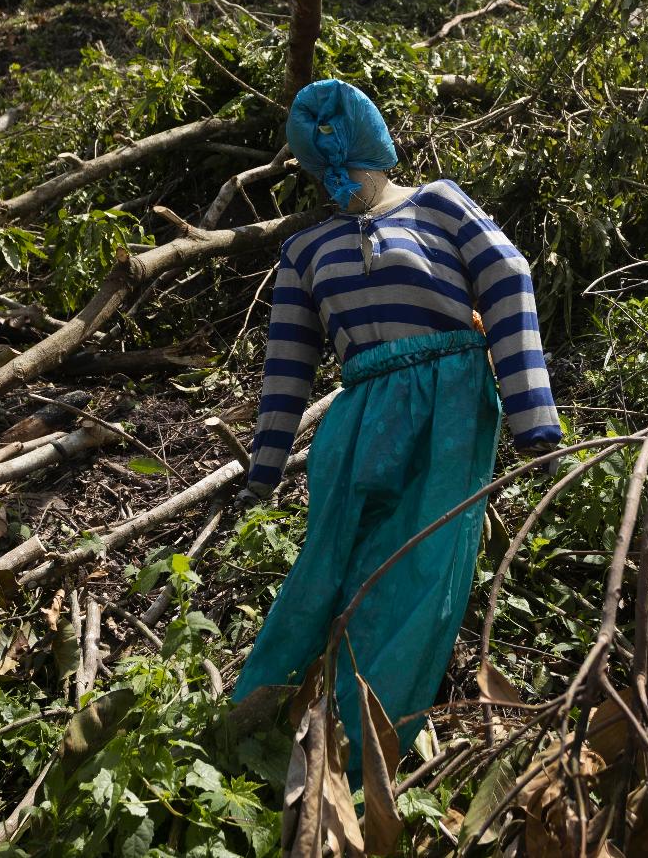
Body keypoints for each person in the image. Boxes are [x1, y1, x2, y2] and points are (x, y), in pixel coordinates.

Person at [228, 78, 564, 778]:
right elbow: (286, 370)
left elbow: (507, 279)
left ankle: (356, 749)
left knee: (423, 564)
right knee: (328, 563)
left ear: (380, 149)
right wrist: (262, 471)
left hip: (450, 412)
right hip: (357, 423)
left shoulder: (439, 204)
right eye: (328, 171)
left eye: (352, 163)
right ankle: (254, 724)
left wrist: (533, 417)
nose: (344, 182)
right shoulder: (305, 252)